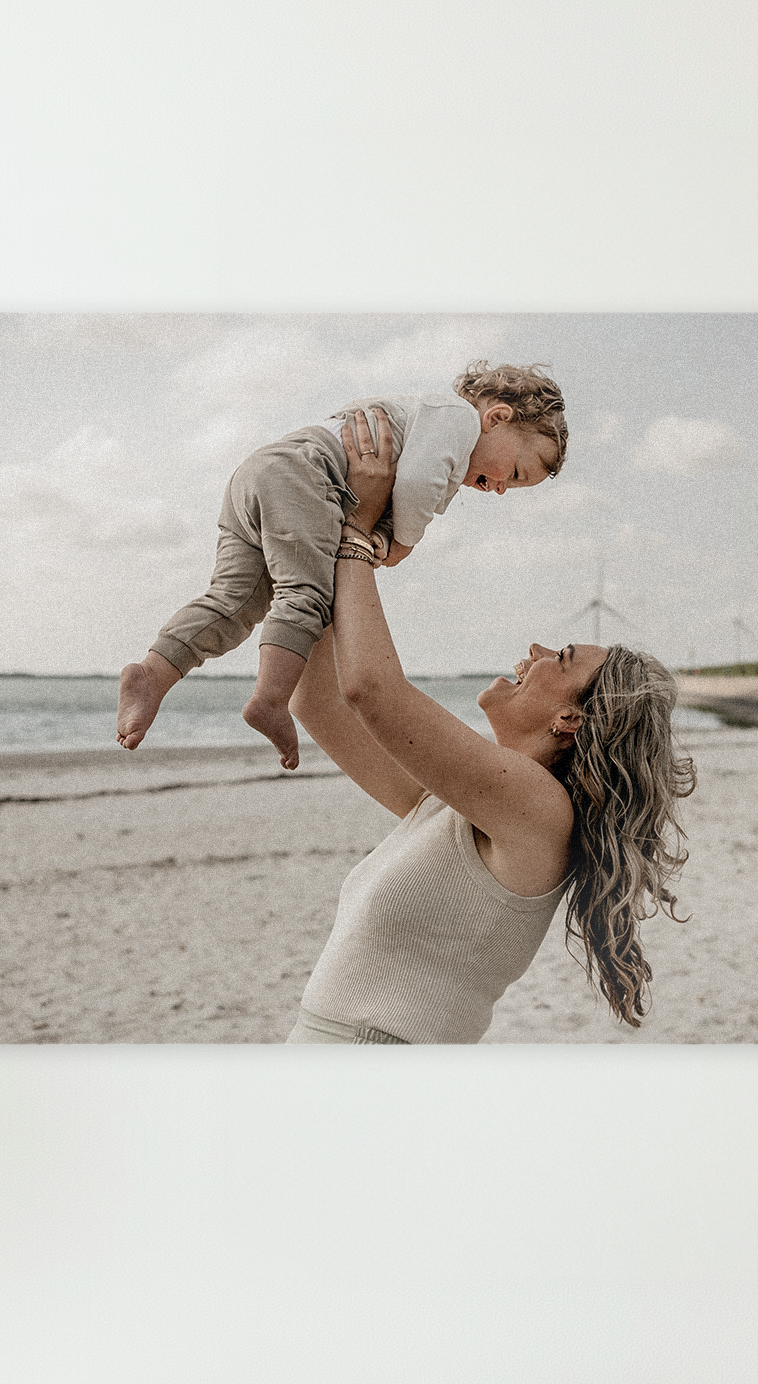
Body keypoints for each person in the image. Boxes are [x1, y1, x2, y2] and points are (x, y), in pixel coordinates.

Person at [286, 410, 695, 1041]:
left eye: (562, 658)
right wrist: (311, 540)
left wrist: (357, 531)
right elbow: (318, 704)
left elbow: (372, 690)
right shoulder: (462, 805)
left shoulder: (539, 811)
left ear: (571, 718)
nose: (535, 650)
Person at [116, 362, 569, 771]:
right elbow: (415, 484)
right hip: (307, 474)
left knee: (234, 601)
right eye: (515, 472)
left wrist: (382, 532)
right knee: (306, 596)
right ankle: (270, 699)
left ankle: (153, 673)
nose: (501, 489)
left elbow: (397, 487)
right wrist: (402, 542)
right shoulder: (457, 421)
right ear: (497, 418)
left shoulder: (427, 425)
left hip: (261, 472)